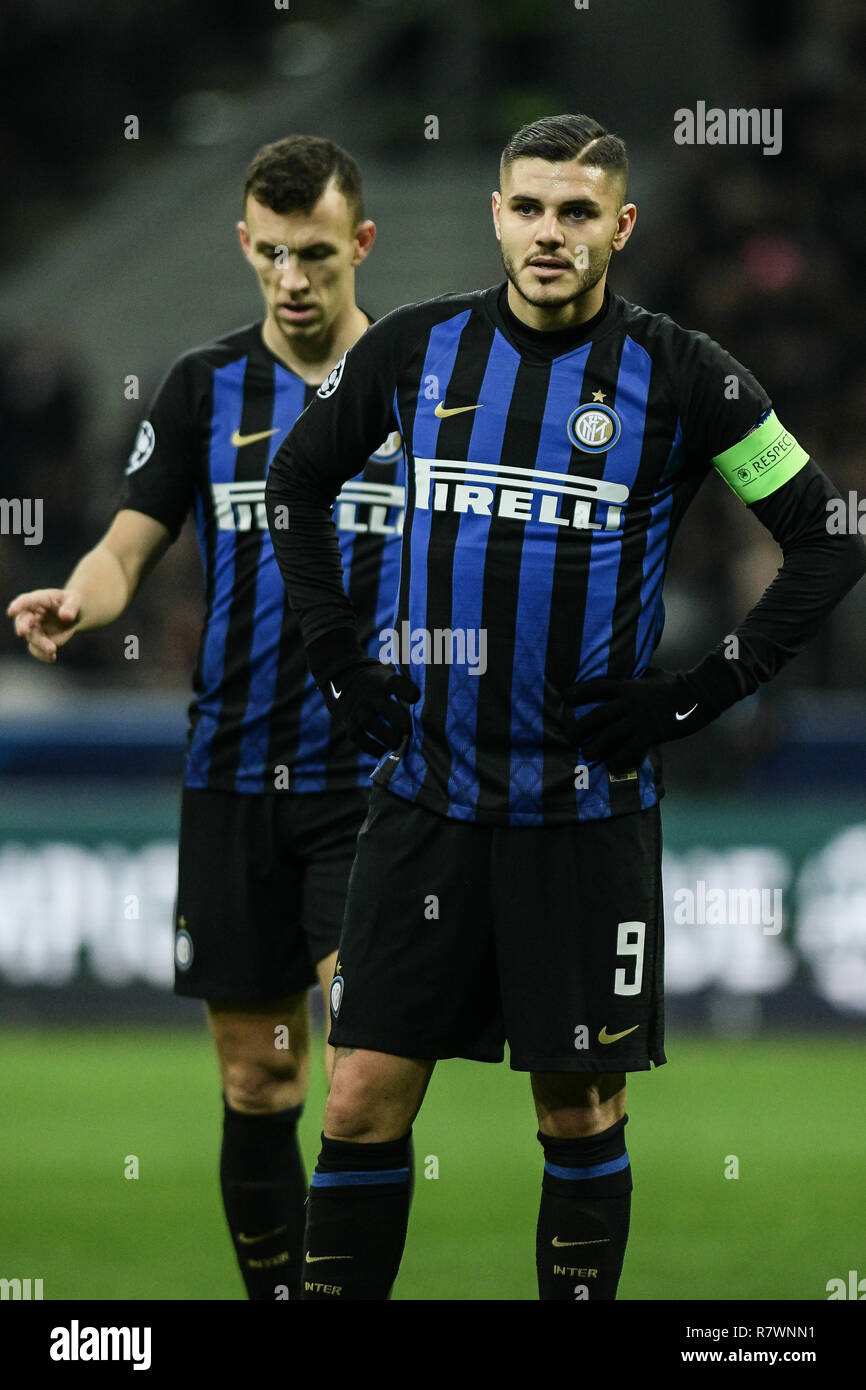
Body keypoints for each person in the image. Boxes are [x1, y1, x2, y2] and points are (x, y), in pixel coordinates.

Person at [264, 113, 866, 1301]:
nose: (550, 233)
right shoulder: (415, 351)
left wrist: (702, 695)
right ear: (495, 215)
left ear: (619, 226)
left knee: (580, 1102)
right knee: (355, 1094)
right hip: (423, 795)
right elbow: (297, 483)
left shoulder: (684, 376)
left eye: (576, 211)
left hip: (582, 811)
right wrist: (336, 653)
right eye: (529, 208)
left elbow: (827, 536)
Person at [7, 135, 405, 1300]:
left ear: (360, 246)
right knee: (257, 1084)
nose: (292, 278)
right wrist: (80, 598)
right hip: (232, 771)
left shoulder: (425, 383)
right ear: (244, 244)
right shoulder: (200, 387)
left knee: (361, 1078)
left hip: (366, 783)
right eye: (272, 253)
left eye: (317, 255)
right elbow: (132, 539)